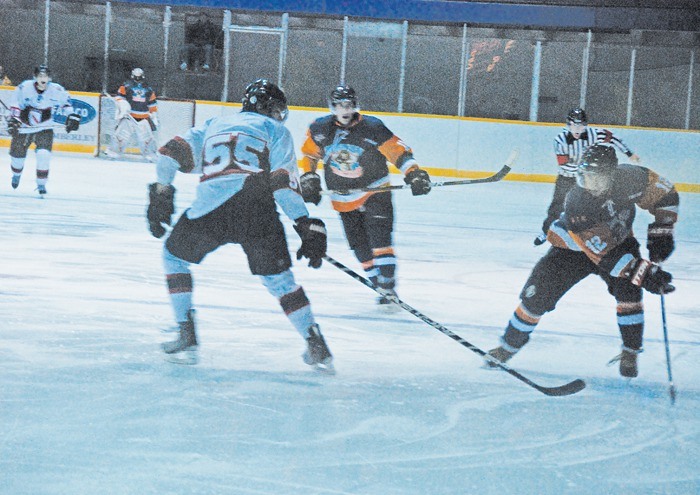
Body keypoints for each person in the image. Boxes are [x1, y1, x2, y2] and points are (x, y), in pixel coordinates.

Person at [146, 78, 333, 371]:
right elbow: (282, 184)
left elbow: (168, 156)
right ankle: (315, 343)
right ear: (268, 108)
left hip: (210, 211)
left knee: (173, 258)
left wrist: (162, 192)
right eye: (277, 109)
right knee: (280, 280)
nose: (279, 115)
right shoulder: (276, 130)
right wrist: (304, 222)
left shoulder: (212, 125)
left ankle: (185, 330)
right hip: (256, 212)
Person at [487, 144, 678, 378]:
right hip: (571, 247)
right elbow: (605, 255)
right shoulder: (577, 202)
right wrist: (645, 274)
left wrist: (663, 230)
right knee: (536, 296)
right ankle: (507, 347)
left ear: (612, 174)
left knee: (629, 295)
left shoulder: (631, 178)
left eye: (597, 178)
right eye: (586, 177)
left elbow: (666, 194)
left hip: (618, 241)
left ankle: (630, 351)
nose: (590, 184)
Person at [298, 85, 432, 310]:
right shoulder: (319, 128)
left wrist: (414, 172)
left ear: (355, 105)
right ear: (332, 107)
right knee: (360, 249)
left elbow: (398, 152)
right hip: (343, 198)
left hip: (375, 191)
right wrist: (309, 176)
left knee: (381, 241)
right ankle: (378, 285)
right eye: (340, 105)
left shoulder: (372, 127)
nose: (345, 109)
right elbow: (310, 154)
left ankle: (388, 288)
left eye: (348, 104)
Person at [533, 107, 641, 246]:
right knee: (557, 206)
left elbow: (613, 138)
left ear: (586, 125)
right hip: (567, 178)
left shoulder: (593, 134)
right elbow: (563, 164)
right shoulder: (560, 140)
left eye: (581, 125)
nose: (577, 129)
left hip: (587, 180)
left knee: (592, 206)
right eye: (574, 125)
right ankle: (546, 232)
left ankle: (592, 236)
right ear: (568, 125)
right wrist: (583, 170)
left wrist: (629, 153)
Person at [7, 64, 81, 195]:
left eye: (45, 76)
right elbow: (15, 103)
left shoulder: (57, 90)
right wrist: (14, 119)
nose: (43, 78)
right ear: (35, 77)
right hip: (24, 126)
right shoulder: (25, 87)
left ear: (50, 78)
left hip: (45, 126)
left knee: (44, 155)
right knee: (17, 159)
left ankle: (41, 184)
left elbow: (66, 104)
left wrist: (71, 116)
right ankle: (16, 175)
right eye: (40, 76)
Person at [103, 68, 159, 162]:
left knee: (147, 139)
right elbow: (119, 98)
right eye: (136, 77)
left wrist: (153, 115)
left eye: (139, 77)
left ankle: (151, 155)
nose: (138, 79)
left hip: (144, 118)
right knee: (121, 136)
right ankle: (113, 153)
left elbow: (152, 103)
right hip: (129, 116)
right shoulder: (126, 86)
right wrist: (123, 105)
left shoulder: (148, 89)